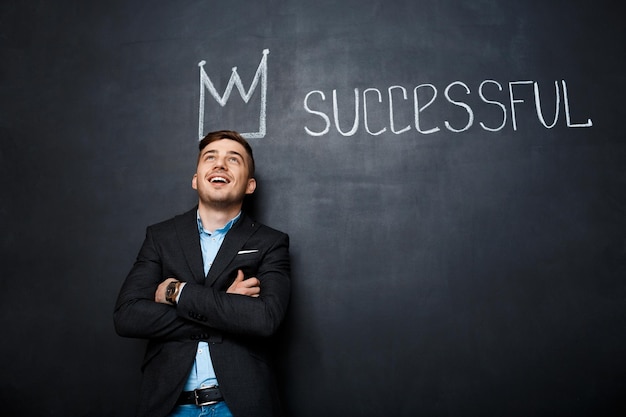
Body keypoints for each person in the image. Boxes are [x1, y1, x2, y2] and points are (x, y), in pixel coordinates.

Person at [114, 130, 291, 417]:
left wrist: (178, 292)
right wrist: (226, 306)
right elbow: (128, 316)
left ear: (250, 185)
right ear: (196, 179)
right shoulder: (160, 237)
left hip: (239, 407)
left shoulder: (270, 242)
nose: (220, 165)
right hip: (169, 406)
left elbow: (264, 319)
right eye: (211, 158)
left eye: (233, 160)